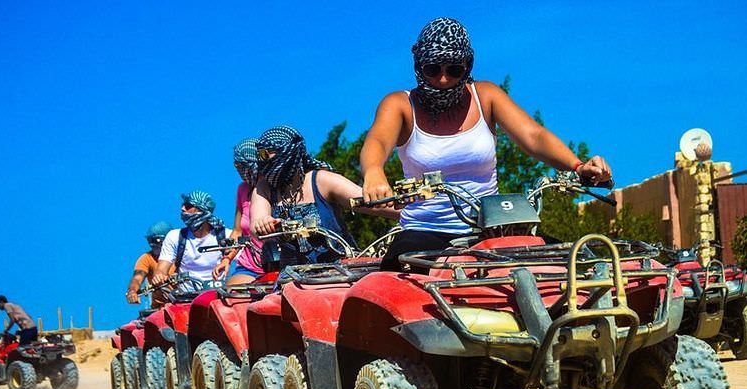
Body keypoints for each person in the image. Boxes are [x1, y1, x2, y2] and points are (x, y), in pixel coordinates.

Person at [359, 18, 614, 272]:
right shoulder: (400, 104)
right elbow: (378, 140)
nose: (444, 79)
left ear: (468, 66)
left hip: (492, 228)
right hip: (424, 233)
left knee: (573, 267)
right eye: (433, 69)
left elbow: (533, 137)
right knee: (399, 277)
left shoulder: (487, 96)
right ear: (418, 66)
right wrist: (373, 172)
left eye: (454, 69)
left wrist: (578, 166)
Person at [249, 126, 397, 267]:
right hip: (293, 277)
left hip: (342, 271)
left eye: (266, 154)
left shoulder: (322, 181)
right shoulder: (264, 188)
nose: (263, 161)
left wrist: (413, 213)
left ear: (288, 151)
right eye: (260, 155)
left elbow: (373, 203)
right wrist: (263, 224)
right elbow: (255, 225)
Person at [152, 191, 233, 291]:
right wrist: (159, 275)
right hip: (186, 298)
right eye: (183, 205)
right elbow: (162, 268)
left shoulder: (226, 236)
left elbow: (245, 260)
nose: (182, 209)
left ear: (202, 209)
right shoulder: (175, 237)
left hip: (218, 295)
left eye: (188, 205)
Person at [212, 139, 264, 285]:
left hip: (280, 262)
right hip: (250, 265)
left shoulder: (277, 188)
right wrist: (227, 259)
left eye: (241, 166)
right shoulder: (243, 189)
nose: (239, 170)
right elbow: (237, 231)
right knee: (228, 298)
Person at [126, 221, 174, 308]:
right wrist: (132, 291)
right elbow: (137, 278)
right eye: (149, 241)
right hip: (160, 307)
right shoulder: (146, 258)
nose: (152, 244)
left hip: (185, 301)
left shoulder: (183, 255)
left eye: (156, 241)